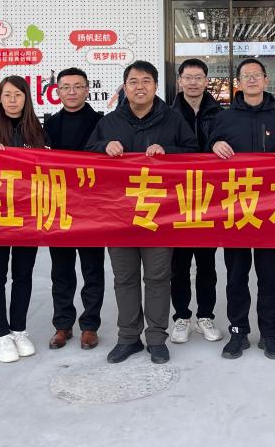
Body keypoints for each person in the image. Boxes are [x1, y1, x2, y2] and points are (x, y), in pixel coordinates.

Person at [86, 61, 198, 365]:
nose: (140, 86)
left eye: (146, 81)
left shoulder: (172, 120)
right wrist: (103, 146)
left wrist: (168, 152)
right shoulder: (110, 122)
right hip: (118, 216)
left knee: (158, 277)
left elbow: (194, 155)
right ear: (125, 87)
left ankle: (156, 339)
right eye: (133, 81)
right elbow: (86, 157)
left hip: (159, 215)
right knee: (124, 278)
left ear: (156, 86)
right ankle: (128, 337)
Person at [209, 58, 275, 361]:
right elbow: (207, 158)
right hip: (235, 209)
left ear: (266, 80)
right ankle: (238, 331)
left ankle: (269, 334)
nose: (251, 80)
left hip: (271, 210)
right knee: (236, 275)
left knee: (268, 275)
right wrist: (214, 145)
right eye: (246, 76)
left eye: (256, 75)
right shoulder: (223, 118)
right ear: (238, 83)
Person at [0, 76, 46, 363]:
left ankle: (19, 329)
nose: (12, 100)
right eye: (6, 95)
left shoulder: (37, 131)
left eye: (18, 94)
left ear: (26, 98)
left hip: (27, 215)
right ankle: (2, 335)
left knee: (23, 274)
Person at [44, 68, 105, 351]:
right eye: (65, 87)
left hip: (92, 207)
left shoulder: (101, 122)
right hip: (58, 205)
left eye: (78, 86)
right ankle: (62, 325)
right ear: (57, 91)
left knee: (92, 270)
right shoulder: (49, 124)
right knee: (61, 271)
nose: (71, 92)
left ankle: (90, 326)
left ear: (87, 90)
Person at [169, 59, 223, 344]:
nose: (192, 82)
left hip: (209, 199)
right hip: (176, 200)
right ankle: (181, 316)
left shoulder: (220, 114)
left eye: (198, 77)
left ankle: (205, 316)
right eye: (187, 77)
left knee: (206, 263)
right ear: (180, 81)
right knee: (178, 264)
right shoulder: (166, 114)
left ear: (206, 81)